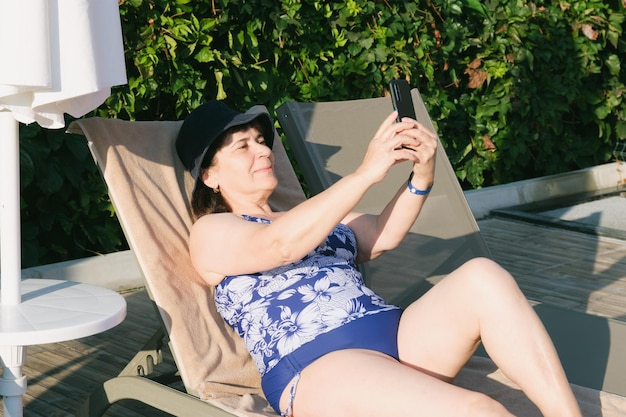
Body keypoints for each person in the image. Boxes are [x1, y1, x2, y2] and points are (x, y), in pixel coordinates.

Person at [176, 99, 583, 417]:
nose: (262, 152)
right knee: (480, 410)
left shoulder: (305, 216)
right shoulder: (213, 229)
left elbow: (380, 236)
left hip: (397, 335)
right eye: (242, 146)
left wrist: (421, 177)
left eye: (261, 141)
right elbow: (278, 247)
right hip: (322, 366)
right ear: (210, 176)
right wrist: (366, 172)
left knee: (482, 275)